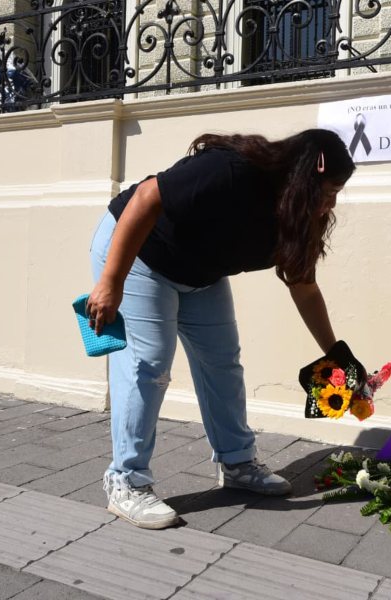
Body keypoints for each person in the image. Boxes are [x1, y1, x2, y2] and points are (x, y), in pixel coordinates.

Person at [86, 128, 356, 529]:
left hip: (201, 273)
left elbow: (305, 288)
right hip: (140, 254)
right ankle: (125, 481)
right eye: (329, 190)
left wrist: (336, 354)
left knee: (223, 362)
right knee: (149, 363)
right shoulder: (232, 171)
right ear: (306, 176)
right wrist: (112, 281)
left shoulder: (298, 216)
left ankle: (237, 463)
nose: (331, 203)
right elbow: (145, 198)